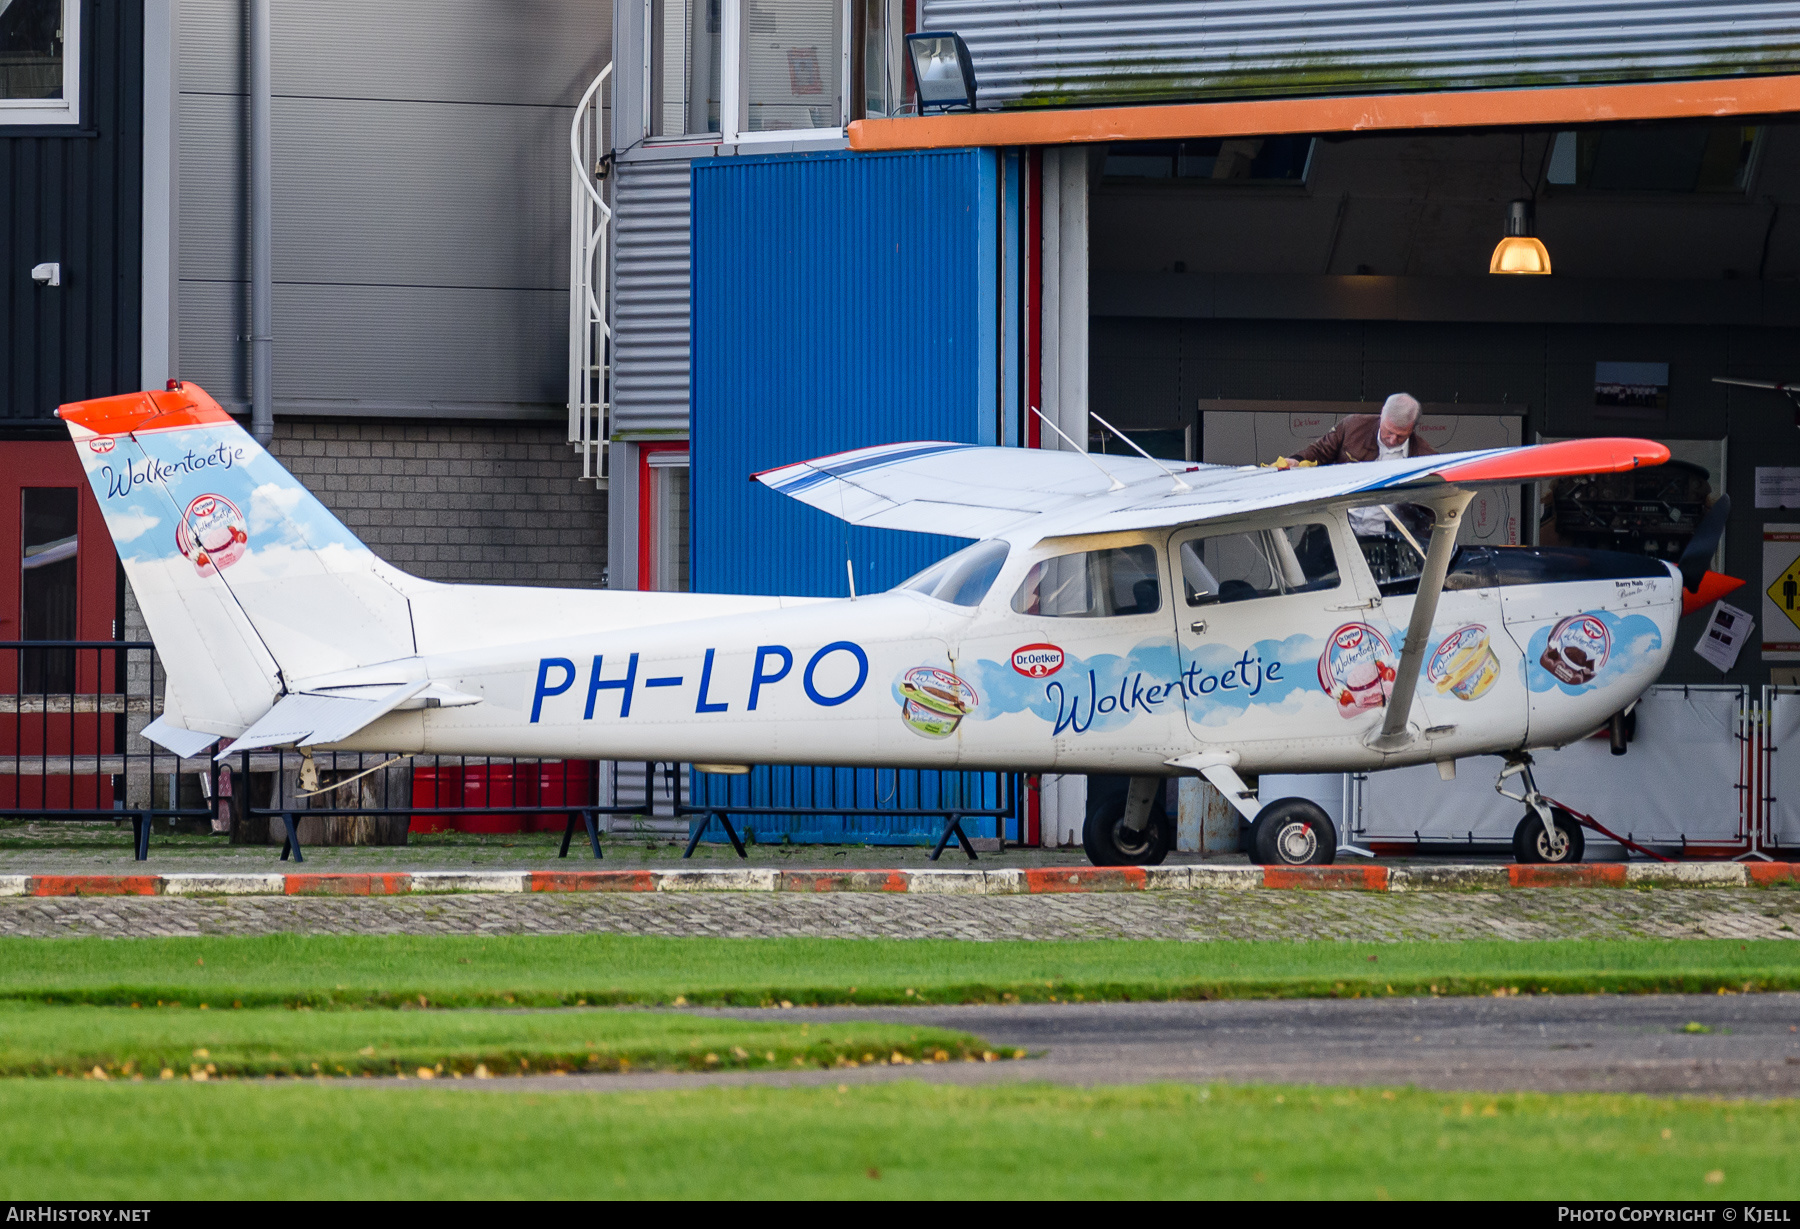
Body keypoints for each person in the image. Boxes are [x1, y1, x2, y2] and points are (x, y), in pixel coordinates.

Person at [1276, 393, 1436, 583]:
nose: (1392, 440)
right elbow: (1319, 453)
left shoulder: (1426, 457)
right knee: (1300, 580)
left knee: (1383, 589)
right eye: (1388, 432)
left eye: (1401, 436)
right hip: (1336, 524)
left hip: (1385, 536)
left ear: (1413, 429)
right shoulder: (1353, 426)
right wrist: (1296, 461)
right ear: (1381, 415)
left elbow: (1430, 513)